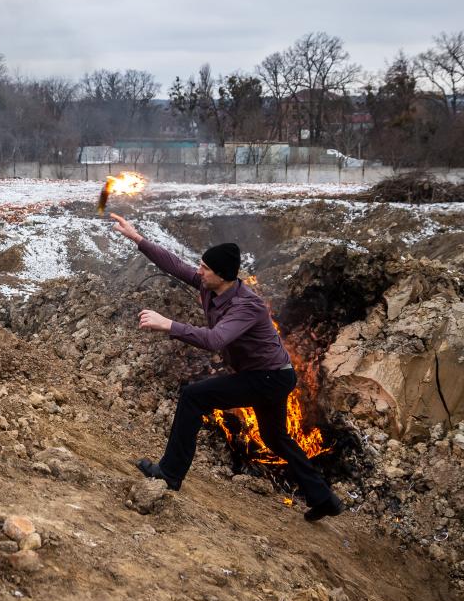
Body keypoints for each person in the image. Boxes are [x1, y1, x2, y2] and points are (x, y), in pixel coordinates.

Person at [109, 213, 345, 522]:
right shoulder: (211, 287)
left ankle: (169, 474)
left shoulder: (247, 305)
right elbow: (175, 265)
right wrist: (137, 238)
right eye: (202, 265)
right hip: (266, 375)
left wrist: (168, 324)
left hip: (270, 378)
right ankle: (325, 499)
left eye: (205, 268)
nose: (199, 271)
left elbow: (216, 340)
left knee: (194, 396)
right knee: (275, 438)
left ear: (222, 275)